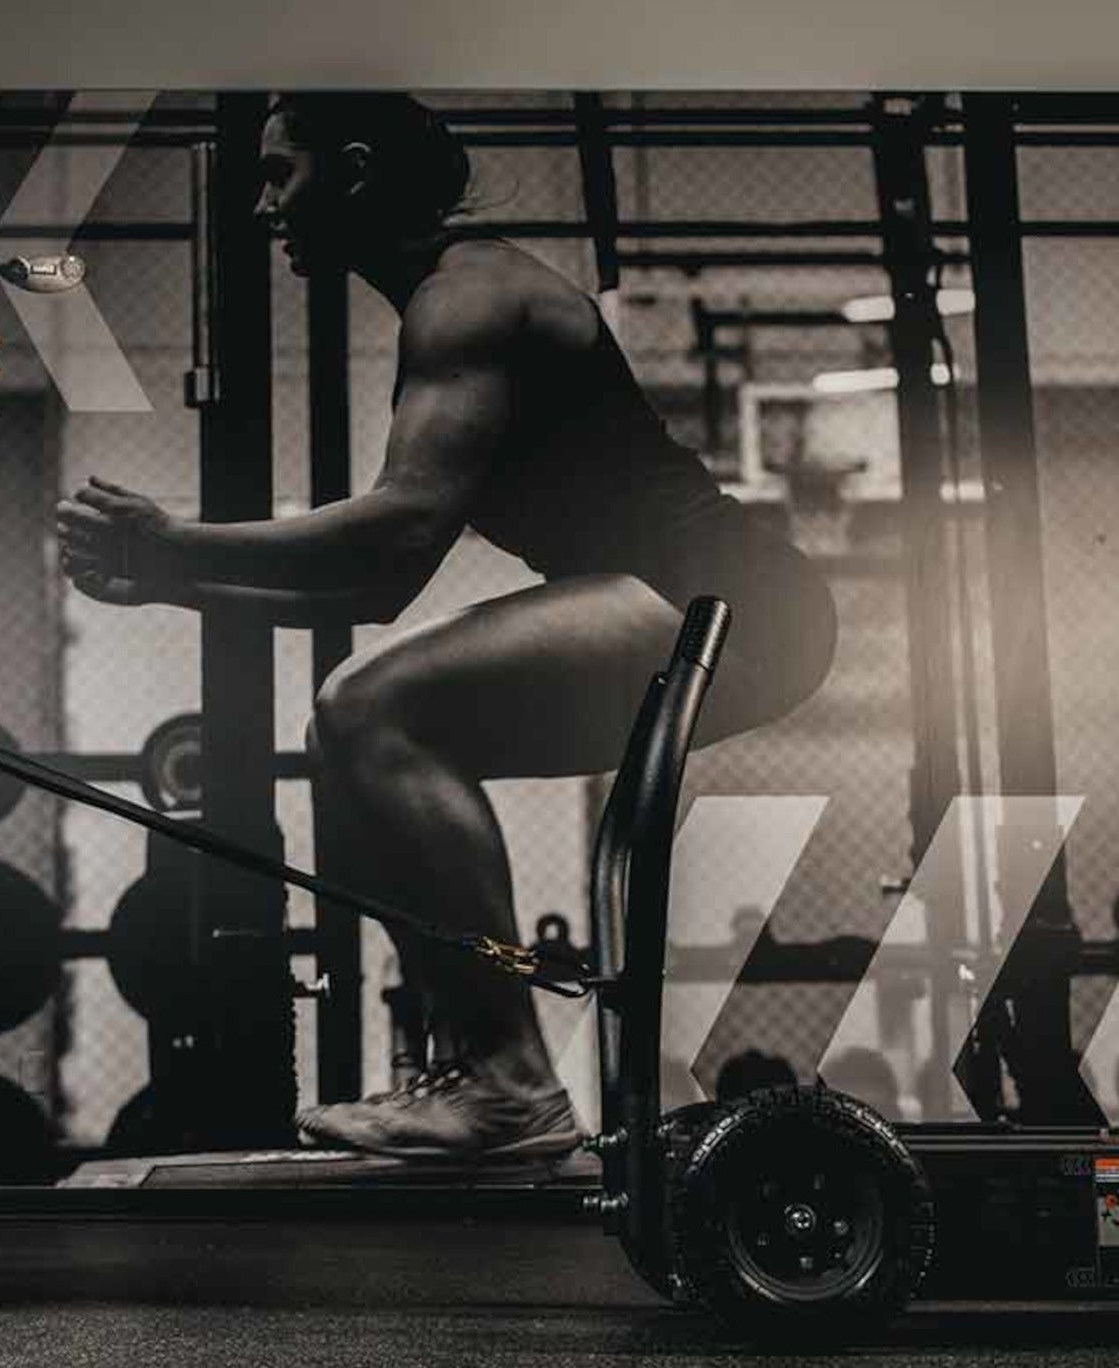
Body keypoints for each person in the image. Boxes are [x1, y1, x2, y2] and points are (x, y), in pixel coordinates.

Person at [56, 93, 837, 1161]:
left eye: (282, 174)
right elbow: (375, 587)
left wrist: (171, 541)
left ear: (359, 171)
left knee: (374, 706)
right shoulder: (451, 303)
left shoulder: (469, 297)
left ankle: (510, 1082)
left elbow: (398, 522)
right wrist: (167, 587)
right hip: (696, 598)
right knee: (363, 731)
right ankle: (474, 1069)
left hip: (732, 597)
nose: (263, 204)